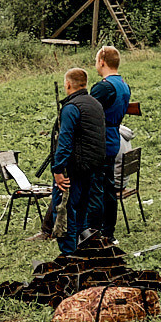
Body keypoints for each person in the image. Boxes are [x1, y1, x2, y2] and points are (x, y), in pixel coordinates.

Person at [50, 70, 107, 256]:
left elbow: (64, 143)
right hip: (91, 168)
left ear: (68, 84)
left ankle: (69, 256)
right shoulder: (96, 104)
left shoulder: (71, 108)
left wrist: (58, 169)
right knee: (81, 211)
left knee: (65, 212)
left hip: (72, 170)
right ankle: (82, 252)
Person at [88, 46, 131, 240]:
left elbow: (87, 113)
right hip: (113, 137)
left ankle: (96, 232)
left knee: (96, 188)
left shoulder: (103, 87)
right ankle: (108, 232)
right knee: (108, 187)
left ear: (102, 61)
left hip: (100, 139)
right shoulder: (123, 84)